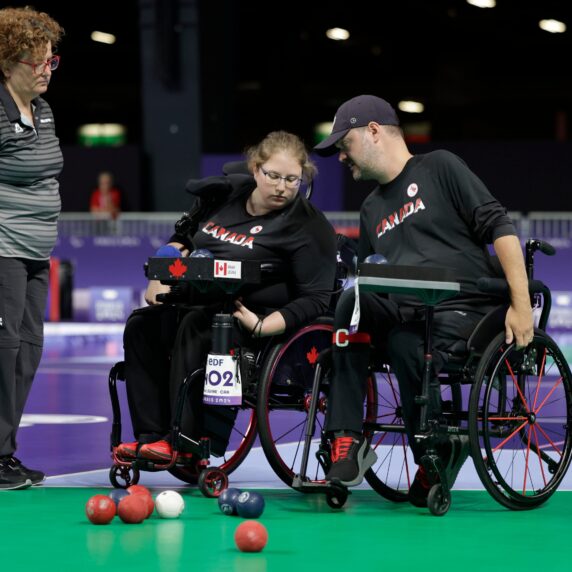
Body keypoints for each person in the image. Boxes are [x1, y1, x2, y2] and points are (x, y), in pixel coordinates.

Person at [313, 95, 533, 506]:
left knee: (405, 341)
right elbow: (371, 284)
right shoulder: (371, 207)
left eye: (345, 144)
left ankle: (434, 454)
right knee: (352, 300)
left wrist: (520, 305)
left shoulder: (440, 167)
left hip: (466, 308)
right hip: (408, 312)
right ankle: (346, 439)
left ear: (373, 131)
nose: (341, 157)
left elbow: (499, 226)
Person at [117, 131, 337, 461]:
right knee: (142, 326)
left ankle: (185, 443)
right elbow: (183, 238)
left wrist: (264, 325)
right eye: (273, 176)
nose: (281, 187)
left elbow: (317, 298)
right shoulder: (226, 196)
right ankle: (152, 436)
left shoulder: (308, 226)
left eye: (292, 179)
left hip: (250, 321)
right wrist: (160, 274)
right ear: (255, 168)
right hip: (197, 298)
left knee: (197, 325)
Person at [0, 7, 64, 490]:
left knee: (28, 352)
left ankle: (5, 454)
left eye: (51, 60)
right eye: (37, 61)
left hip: (37, 251)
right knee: (5, 352)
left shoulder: (42, 111)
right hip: (2, 248)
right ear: (7, 63)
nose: (47, 68)